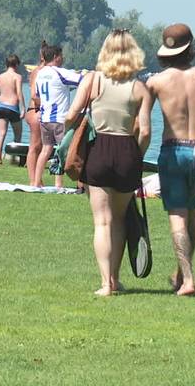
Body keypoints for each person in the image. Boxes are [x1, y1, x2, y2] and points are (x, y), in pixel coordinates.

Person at [64, 30, 152, 296]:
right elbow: (145, 131)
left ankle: (106, 284)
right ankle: (115, 278)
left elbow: (70, 115)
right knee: (119, 220)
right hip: (127, 150)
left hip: (99, 149)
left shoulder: (93, 80)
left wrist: (74, 132)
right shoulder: (140, 88)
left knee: (102, 221)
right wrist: (136, 154)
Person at [146, 23, 195, 296]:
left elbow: (142, 125)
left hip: (172, 151)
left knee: (177, 216)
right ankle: (181, 275)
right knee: (191, 217)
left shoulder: (155, 82)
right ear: (191, 48)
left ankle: (188, 280)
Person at [33, 45, 83, 189]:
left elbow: (38, 94)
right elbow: (81, 79)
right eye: (61, 55)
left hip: (45, 118)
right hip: (60, 119)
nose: (63, 58)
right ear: (55, 57)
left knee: (46, 150)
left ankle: (36, 181)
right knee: (62, 151)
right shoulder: (60, 72)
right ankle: (58, 184)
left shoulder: (40, 74)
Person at [0, 54, 24, 165]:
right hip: (13, 108)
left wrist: (2, 92)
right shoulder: (17, 77)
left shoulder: (0, 76)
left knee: (1, 134)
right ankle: (14, 158)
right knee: (17, 135)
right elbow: (19, 93)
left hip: (2, 107)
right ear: (16, 64)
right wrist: (23, 108)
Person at [25, 42, 49, 185]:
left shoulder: (48, 72)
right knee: (35, 146)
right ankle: (33, 180)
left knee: (40, 146)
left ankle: (37, 179)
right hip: (35, 110)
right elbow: (34, 95)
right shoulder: (38, 72)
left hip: (40, 110)